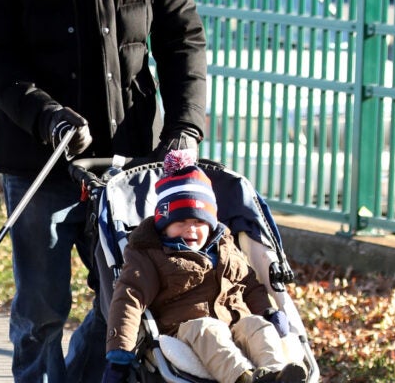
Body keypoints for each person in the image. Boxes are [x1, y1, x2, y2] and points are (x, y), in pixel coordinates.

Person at [0, 0, 208, 380]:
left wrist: (185, 126)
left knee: (125, 300)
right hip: (38, 159)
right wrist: (47, 117)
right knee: (40, 310)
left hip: (130, 162)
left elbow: (183, 38)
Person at [102, 150, 308, 383]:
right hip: (186, 329)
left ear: (211, 223)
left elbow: (250, 285)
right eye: (180, 221)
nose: (190, 229)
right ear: (163, 224)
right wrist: (119, 354)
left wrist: (266, 311)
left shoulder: (225, 246)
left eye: (199, 221)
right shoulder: (150, 253)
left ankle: (275, 373)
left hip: (236, 322)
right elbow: (129, 298)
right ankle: (243, 378)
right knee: (209, 329)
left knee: (257, 325)